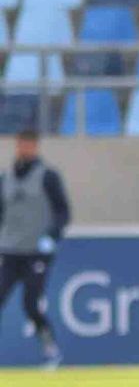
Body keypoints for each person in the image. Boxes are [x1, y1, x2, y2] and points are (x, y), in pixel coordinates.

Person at [0, 130, 69, 369]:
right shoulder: (6, 178)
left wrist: (51, 237)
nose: (25, 149)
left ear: (36, 147)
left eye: (29, 145)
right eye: (22, 145)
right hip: (10, 251)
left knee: (30, 303)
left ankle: (51, 349)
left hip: (36, 252)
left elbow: (63, 211)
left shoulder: (48, 176)